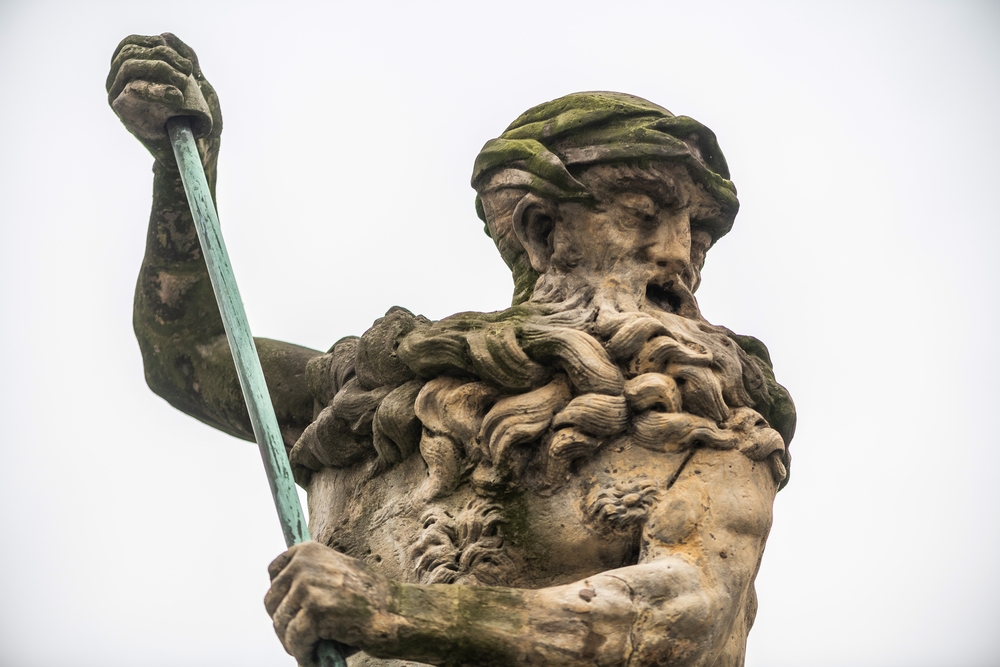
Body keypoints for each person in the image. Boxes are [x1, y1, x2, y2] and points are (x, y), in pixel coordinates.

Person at [108, 33, 796, 667]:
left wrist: (392, 611)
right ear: (540, 229)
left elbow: (682, 613)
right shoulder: (383, 396)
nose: (677, 256)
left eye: (697, 238)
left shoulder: (714, 426)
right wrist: (188, 162)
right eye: (644, 215)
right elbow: (189, 354)